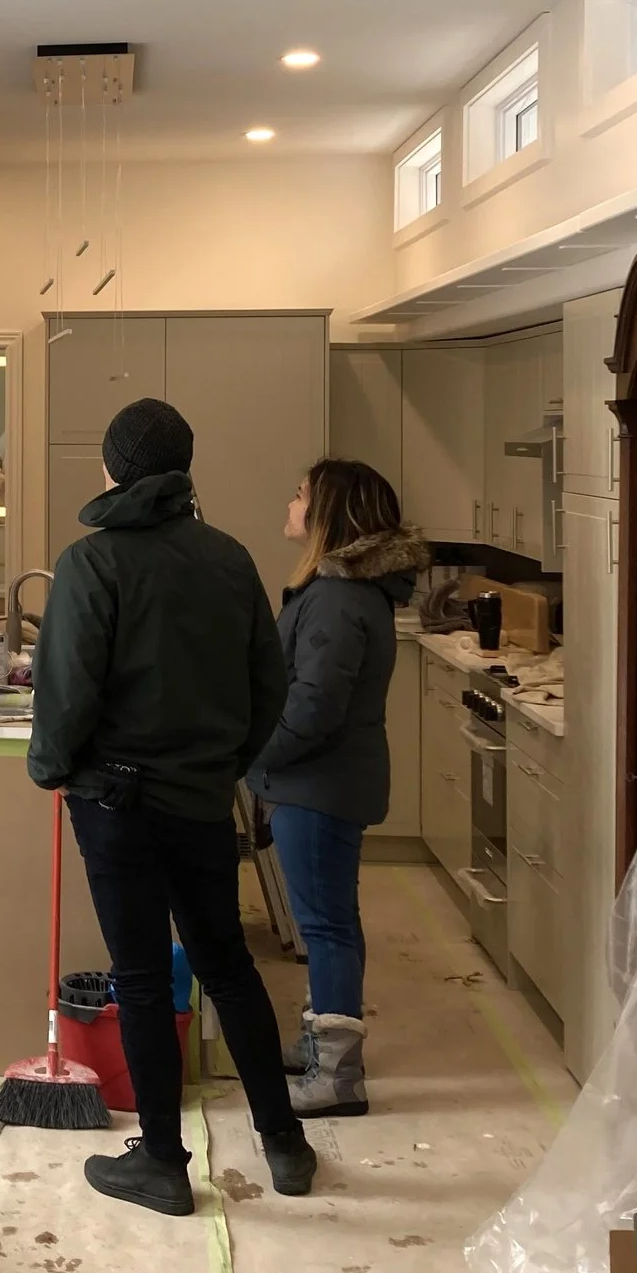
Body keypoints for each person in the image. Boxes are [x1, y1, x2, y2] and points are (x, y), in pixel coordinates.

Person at [27, 398, 317, 1212]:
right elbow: (271, 688)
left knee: (143, 979)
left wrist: (50, 765)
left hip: (114, 803)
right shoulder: (229, 559)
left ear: (116, 469)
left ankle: (161, 1162)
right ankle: (284, 1143)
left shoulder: (92, 563)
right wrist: (225, 761)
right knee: (227, 965)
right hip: (199, 800)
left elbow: (67, 692)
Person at [247, 459, 429, 1118]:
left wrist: (251, 752)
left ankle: (337, 1078)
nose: (290, 502)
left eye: (300, 495)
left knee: (325, 926)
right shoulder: (342, 591)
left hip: (318, 786)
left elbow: (315, 706)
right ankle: (322, 1043)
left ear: (328, 513)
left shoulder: (336, 598)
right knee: (331, 923)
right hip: (323, 783)